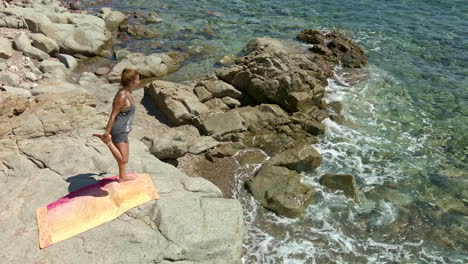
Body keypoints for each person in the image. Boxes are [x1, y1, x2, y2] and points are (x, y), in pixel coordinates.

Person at [93, 68, 140, 182]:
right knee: (123, 160)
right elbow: (113, 115)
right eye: (138, 79)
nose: (139, 81)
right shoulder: (122, 96)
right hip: (119, 130)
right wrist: (107, 133)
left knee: (124, 158)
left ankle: (122, 177)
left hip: (124, 129)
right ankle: (107, 142)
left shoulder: (128, 92)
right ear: (132, 82)